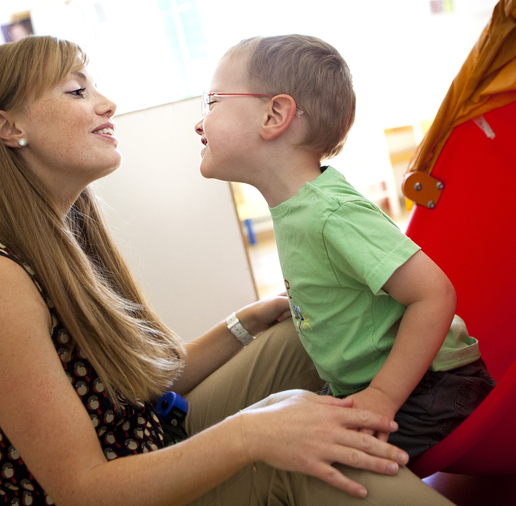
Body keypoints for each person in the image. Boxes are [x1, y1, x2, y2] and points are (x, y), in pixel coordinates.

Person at [0, 35, 455, 506]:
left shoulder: (62, 231)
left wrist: (244, 323)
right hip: (115, 486)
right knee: (315, 458)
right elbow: (83, 490)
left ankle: (433, 419)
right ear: (8, 127)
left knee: (309, 331)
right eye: (77, 92)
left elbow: (132, 385)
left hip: (150, 434)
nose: (107, 104)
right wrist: (254, 434)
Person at [193, 34, 496, 460]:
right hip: (382, 386)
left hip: (434, 389)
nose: (199, 122)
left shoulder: (329, 212)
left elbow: (434, 294)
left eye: (212, 102)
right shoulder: (298, 208)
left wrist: (382, 396)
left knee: (313, 464)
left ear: (275, 114)